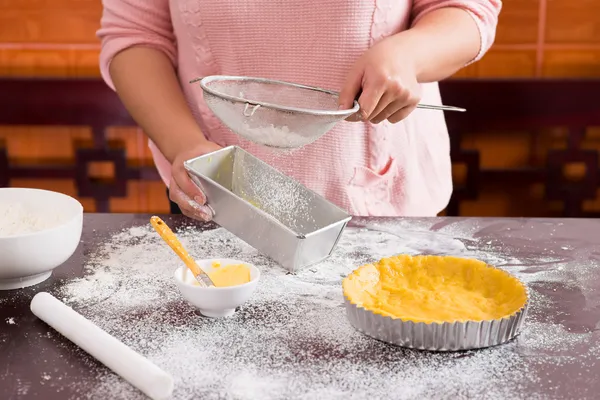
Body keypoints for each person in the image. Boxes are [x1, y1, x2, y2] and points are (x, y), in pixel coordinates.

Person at [98, 0, 501, 221]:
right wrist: (183, 143)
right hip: (217, 193)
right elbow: (136, 36)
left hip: (384, 201)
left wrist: (408, 53)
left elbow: (466, 10)